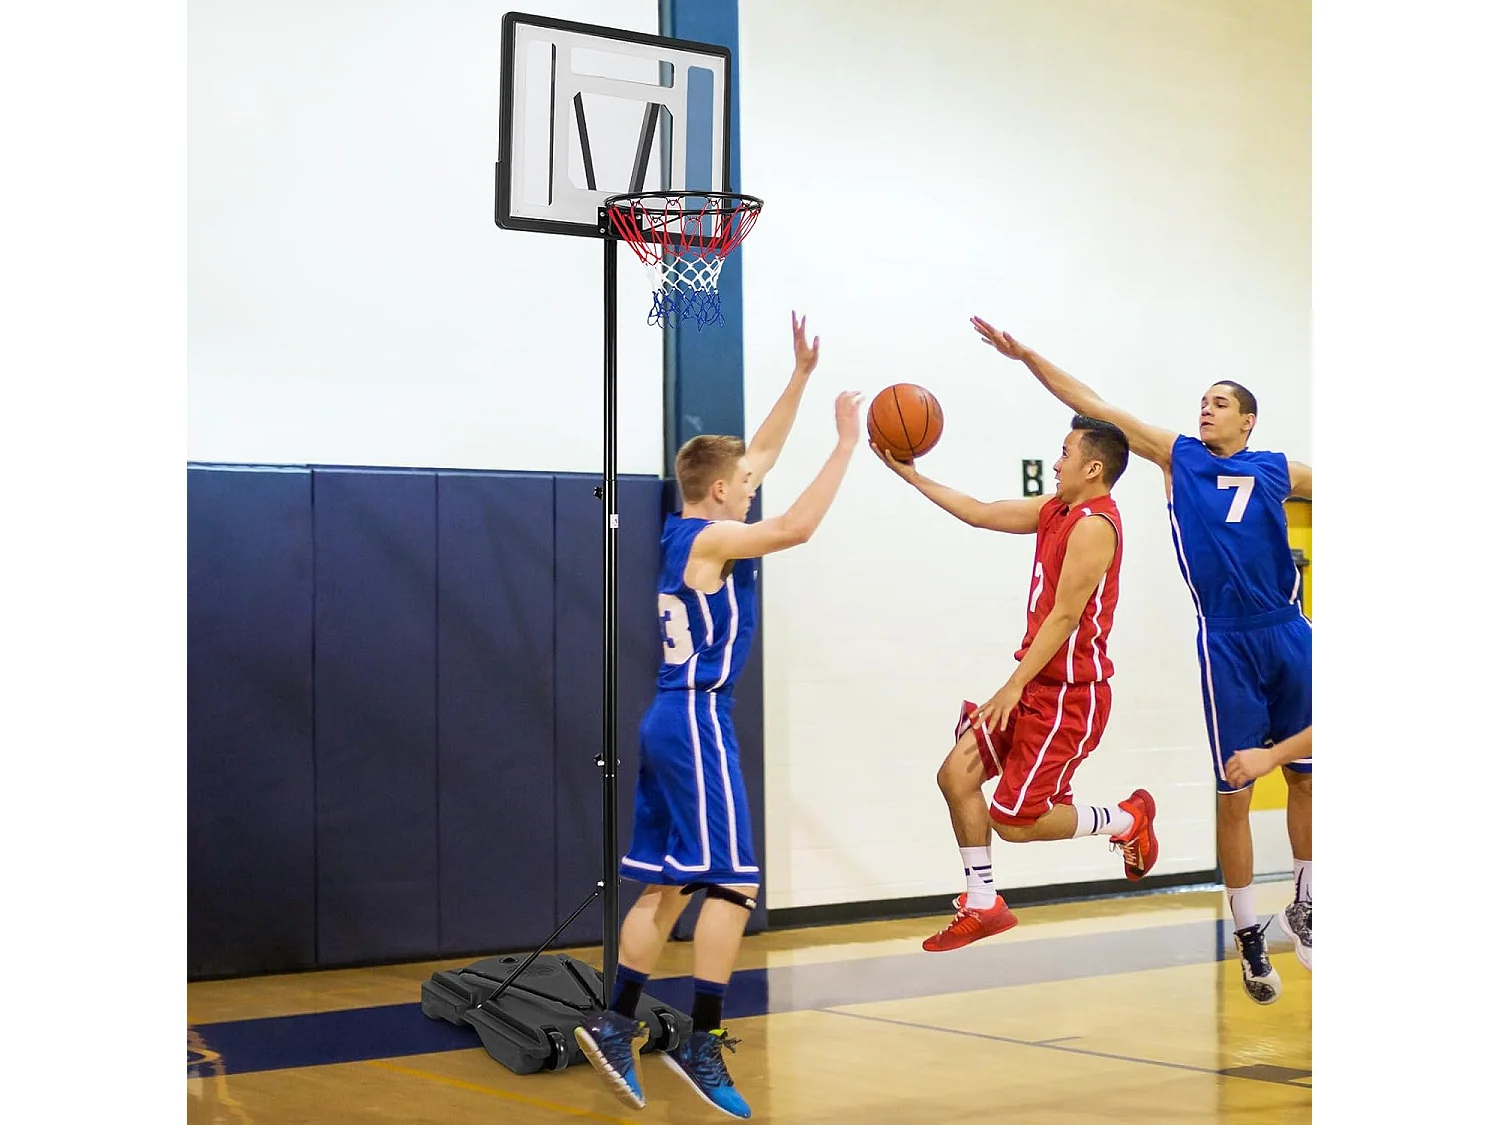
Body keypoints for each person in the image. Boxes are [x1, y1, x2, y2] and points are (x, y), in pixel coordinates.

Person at [972, 315, 1312, 1001]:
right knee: (1234, 791)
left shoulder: (1276, 469)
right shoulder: (1177, 454)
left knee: (1310, 778)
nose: (1206, 407)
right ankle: (1248, 933)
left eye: (1221, 402)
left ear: (1248, 422)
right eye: (1203, 400)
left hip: (1289, 627)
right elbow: (1097, 406)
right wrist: (1028, 354)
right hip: (1225, 639)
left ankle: (1308, 903)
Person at [575, 313, 861, 1120]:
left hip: (671, 715)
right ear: (721, 492)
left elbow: (757, 454)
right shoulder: (714, 538)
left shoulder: (686, 522)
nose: (754, 482)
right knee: (733, 881)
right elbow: (797, 526)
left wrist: (800, 377)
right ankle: (700, 1040)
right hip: (698, 717)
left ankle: (612, 1020)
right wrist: (845, 445)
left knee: (667, 889)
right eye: (744, 482)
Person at [874, 415, 1160, 953]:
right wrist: (912, 476)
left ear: (1092, 467)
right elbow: (980, 514)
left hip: (1068, 696)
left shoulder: (1096, 525)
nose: (1056, 463)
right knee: (956, 777)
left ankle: (1127, 818)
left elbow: (1065, 616)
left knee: (1016, 821)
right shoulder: (1055, 510)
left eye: (1065, 453)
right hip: (1033, 685)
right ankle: (983, 904)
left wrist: (1010, 686)